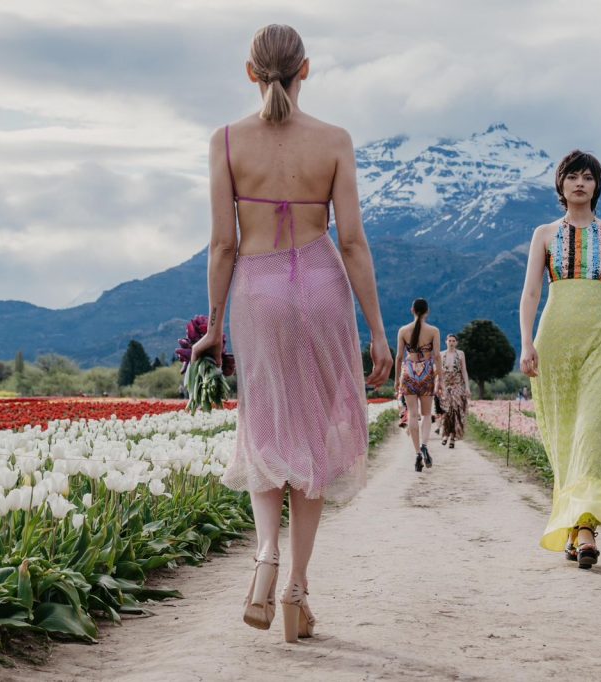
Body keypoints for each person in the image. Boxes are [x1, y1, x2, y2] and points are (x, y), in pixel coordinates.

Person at [190, 24, 392, 643]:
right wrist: (379, 333)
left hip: (259, 291)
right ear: (306, 69)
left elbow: (223, 244)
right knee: (314, 439)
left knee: (266, 426)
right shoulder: (335, 141)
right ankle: (297, 591)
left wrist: (215, 327)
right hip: (322, 287)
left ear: (250, 73)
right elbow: (353, 242)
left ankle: (266, 556)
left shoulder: (226, 142)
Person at [518, 150, 601, 570]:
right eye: (572, 177)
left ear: (597, 186)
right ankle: (572, 526)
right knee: (565, 436)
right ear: (561, 185)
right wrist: (527, 344)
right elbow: (530, 294)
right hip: (556, 342)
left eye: (588, 177)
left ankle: (586, 530)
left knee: (591, 430)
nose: (580, 183)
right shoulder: (544, 234)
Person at [394, 298, 442, 472]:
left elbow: (399, 357)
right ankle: (424, 445)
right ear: (427, 311)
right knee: (427, 414)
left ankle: (416, 454)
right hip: (427, 373)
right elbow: (437, 356)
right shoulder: (433, 331)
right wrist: (441, 378)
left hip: (409, 373)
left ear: (412, 310)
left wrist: (396, 380)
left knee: (412, 415)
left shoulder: (403, 331)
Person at [439, 334, 471, 448]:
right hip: (445, 385)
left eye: (453, 341)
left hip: (458, 385)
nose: (451, 342)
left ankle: (452, 437)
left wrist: (467, 387)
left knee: (456, 410)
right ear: (446, 342)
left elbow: (464, 371)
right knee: (447, 411)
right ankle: (445, 434)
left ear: (456, 343)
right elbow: (439, 373)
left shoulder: (461, 354)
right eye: (449, 340)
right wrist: (437, 386)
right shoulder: (441, 354)